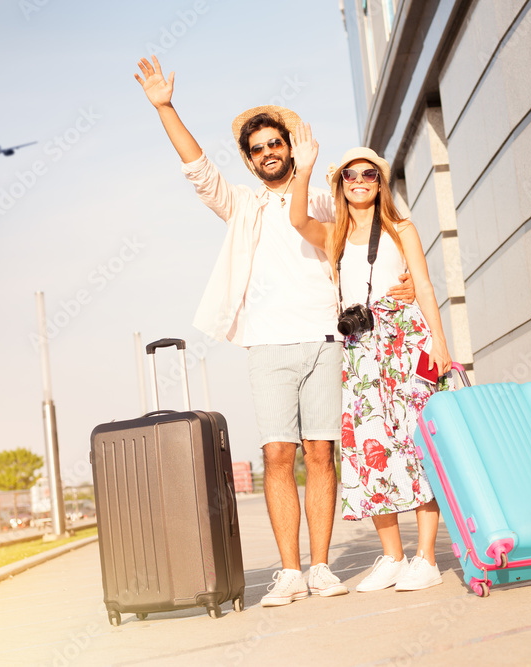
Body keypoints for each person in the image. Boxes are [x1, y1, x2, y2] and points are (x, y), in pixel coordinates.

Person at [133, 56, 416, 606]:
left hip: (328, 339)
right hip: (266, 344)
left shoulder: (318, 195)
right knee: (277, 458)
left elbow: (368, 225)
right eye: (257, 148)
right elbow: (198, 169)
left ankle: (319, 567)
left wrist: (404, 278)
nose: (268, 153)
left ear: (291, 147)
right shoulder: (240, 205)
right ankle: (288, 571)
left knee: (321, 455)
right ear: (250, 159)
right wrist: (166, 107)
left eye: (275, 144)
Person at [288, 122, 452, 592]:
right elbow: (298, 220)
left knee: (416, 444)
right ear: (340, 185)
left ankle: (426, 558)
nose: (359, 182)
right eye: (350, 176)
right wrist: (305, 170)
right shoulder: (335, 234)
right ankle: (391, 556)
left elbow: (422, 286)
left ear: (380, 182)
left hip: (405, 342)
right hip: (361, 351)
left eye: (368, 175)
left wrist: (440, 346)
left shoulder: (401, 228)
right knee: (369, 448)